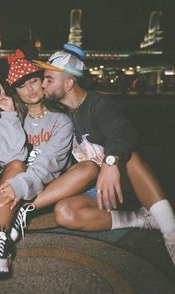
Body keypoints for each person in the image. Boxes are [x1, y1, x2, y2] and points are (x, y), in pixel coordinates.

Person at [30, 43, 175, 265]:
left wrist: (110, 161)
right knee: (64, 213)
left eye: (49, 79)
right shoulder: (62, 114)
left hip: (124, 183)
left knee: (129, 157)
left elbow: (123, 132)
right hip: (98, 189)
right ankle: (139, 218)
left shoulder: (98, 105)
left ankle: (170, 232)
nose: (43, 83)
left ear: (69, 82)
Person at [0, 49, 73, 280]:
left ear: (43, 81)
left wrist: (20, 187)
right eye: (23, 86)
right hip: (15, 180)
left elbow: (51, 163)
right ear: (15, 91)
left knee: (33, 172)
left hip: (46, 183)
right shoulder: (12, 117)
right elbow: (10, 159)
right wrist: (9, 114)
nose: (31, 89)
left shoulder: (61, 120)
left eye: (34, 81)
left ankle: (16, 211)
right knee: (16, 164)